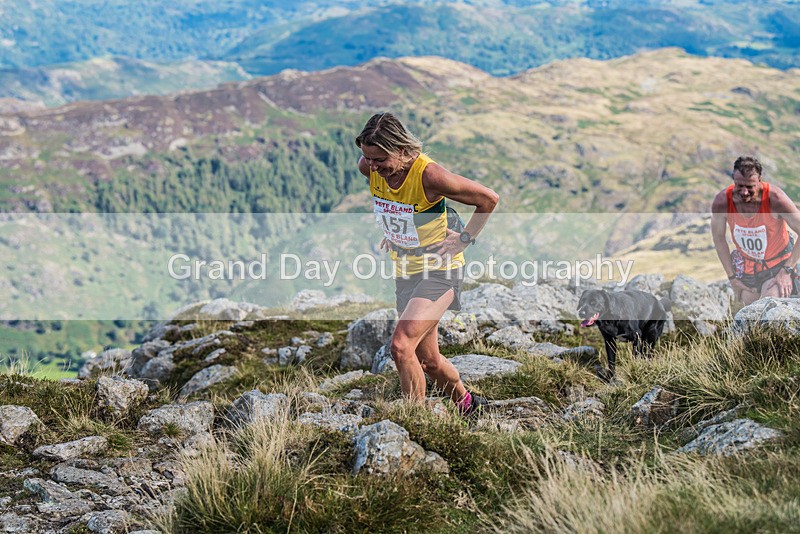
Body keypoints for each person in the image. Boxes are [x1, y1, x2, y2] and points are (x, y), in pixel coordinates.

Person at [355, 112, 499, 415]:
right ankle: (469, 405)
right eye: (368, 159)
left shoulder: (429, 175)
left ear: (403, 151)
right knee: (428, 361)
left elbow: (488, 199)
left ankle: (415, 421)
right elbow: (400, 208)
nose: (373, 167)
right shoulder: (367, 169)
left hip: (440, 269)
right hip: (406, 270)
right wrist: (396, 234)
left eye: (380, 159)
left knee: (401, 347)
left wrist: (462, 239)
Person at [711, 156, 800, 305]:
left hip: (777, 267)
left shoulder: (776, 199)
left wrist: (786, 271)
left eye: (750, 187)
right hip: (748, 271)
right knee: (749, 316)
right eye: (739, 186)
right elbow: (719, 238)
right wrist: (732, 278)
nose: (744, 192)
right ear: (733, 179)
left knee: (766, 308)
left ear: (760, 180)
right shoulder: (722, 202)